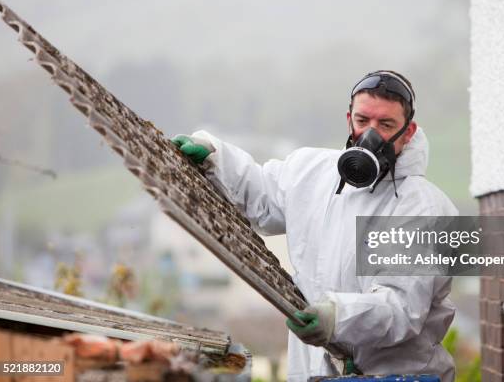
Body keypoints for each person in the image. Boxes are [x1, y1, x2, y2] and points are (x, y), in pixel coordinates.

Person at [172, 70, 457, 382]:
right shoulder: (311, 172)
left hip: (397, 375)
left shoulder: (424, 208)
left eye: (386, 125)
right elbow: (259, 193)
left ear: (408, 131)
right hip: (313, 372)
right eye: (363, 121)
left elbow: (401, 308)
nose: (370, 136)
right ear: (349, 119)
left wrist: (337, 317)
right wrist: (214, 157)